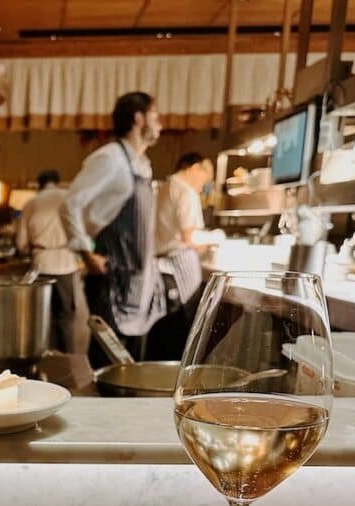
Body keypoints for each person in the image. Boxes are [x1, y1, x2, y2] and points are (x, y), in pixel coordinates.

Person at [61, 91, 165, 364]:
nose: (161, 124)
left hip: (138, 282)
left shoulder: (142, 164)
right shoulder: (111, 159)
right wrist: (85, 253)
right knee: (107, 362)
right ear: (138, 117)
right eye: (156, 116)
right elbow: (70, 203)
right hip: (111, 279)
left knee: (131, 368)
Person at [148, 153, 219, 361]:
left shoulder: (163, 188)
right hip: (179, 270)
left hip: (161, 269)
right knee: (182, 330)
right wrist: (214, 239)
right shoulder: (186, 192)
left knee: (163, 330)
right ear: (194, 168)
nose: (202, 186)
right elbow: (189, 236)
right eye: (204, 179)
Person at [16, 169, 85, 353]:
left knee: (40, 318)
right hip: (65, 264)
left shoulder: (31, 203)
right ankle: (68, 361)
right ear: (56, 181)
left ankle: (42, 359)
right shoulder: (68, 197)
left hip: (41, 265)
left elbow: (21, 243)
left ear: (40, 184)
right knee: (65, 318)